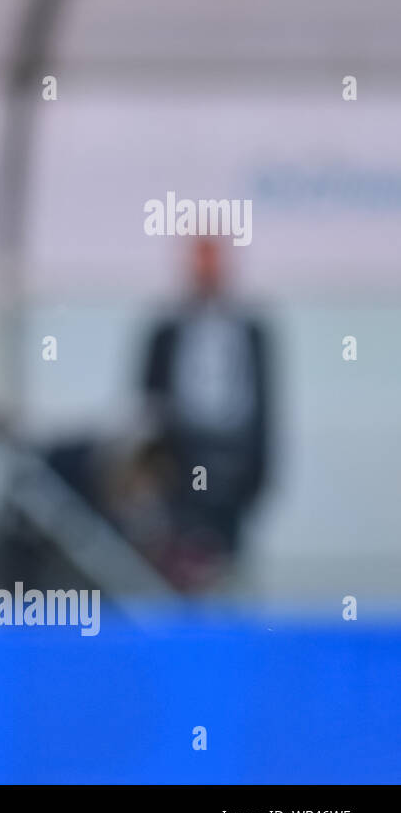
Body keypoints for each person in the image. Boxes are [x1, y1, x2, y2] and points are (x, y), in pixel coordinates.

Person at [141, 234, 271, 591]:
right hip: (181, 460)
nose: (206, 271)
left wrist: (262, 471)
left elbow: (267, 408)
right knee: (179, 561)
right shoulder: (166, 329)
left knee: (226, 563)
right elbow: (147, 403)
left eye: (212, 261)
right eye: (199, 261)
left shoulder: (251, 328)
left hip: (234, 460)